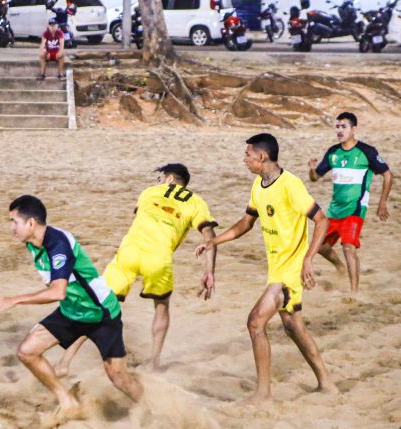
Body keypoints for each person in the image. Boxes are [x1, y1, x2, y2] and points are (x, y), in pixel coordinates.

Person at [195, 133, 338, 405]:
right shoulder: (258, 186)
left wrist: (308, 259)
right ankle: (327, 383)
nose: (244, 159)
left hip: (290, 271)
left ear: (262, 156)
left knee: (255, 322)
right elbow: (245, 223)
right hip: (276, 269)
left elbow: (322, 220)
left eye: (248, 154)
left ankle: (263, 394)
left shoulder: (291, 185)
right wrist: (213, 241)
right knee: (294, 328)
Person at [54, 163, 218, 375]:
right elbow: (209, 236)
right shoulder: (197, 202)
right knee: (161, 306)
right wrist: (209, 271)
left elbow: (142, 217)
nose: (157, 182)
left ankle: (65, 361)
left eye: (160, 178)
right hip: (159, 259)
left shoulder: (149, 192)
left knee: (98, 306)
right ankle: (154, 362)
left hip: (129, 253)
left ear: (169, 179)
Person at [0, 195, 143, 417]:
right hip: (72, 311)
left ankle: (150, 409)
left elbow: (57, 291)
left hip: (100, 313)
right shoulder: (33, 242)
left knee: (118, 377)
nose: (12, 228)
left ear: (31, 223)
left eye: (14, 222)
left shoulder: (57, 245)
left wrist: (15, 299)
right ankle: (67, 400)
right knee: (27, 352)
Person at [308, 112, 393, 299]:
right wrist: (312, 169)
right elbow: (315, 178)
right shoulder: (333, 152)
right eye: (337, 127)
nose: (340, 131)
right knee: (320, 246)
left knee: (348, 247)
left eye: (344, 127)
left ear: (353, 129)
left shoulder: (367, 151)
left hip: (355, 209)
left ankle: (354, 293)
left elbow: (388, 175)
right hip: (334, 209)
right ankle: (339, 266)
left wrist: (382, 202)